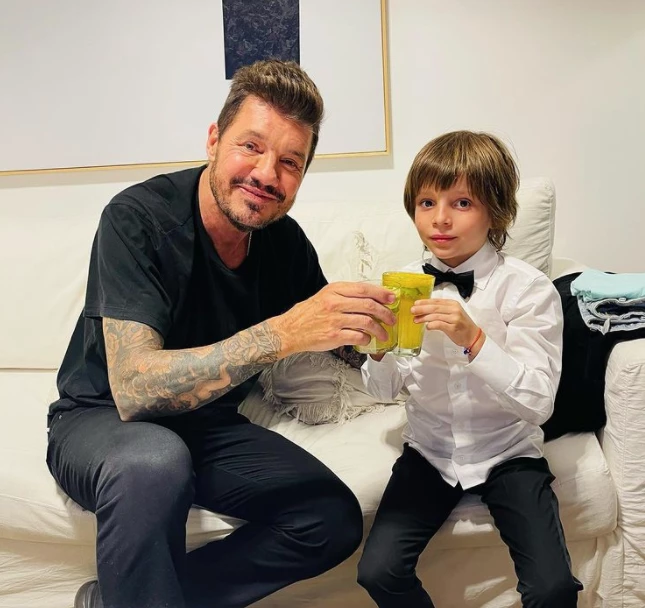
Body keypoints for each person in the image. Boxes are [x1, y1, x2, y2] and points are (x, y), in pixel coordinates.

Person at [46, 59, 396, 608]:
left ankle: (118, 600)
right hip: (102, 417)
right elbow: (136, 388)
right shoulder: (138, 218)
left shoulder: (283, 242)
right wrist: (282, 333)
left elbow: (333, 339)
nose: (266, 174)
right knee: (154, 461)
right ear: (213, 140)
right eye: (250, 146)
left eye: (290, 162)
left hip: (207, 425)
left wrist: (375, 334)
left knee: (329, 517)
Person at [356, 131, 583, 607]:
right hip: (429, 450)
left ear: (495, 211)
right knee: (377, 571)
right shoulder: (403, 286)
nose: (440, 218)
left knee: (554, 588)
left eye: (462, 202)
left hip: (508, 450)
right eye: (426, 202)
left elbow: (538, 404)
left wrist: (476, 341)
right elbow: (383, 391)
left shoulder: (528, 289)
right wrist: (376, 351)